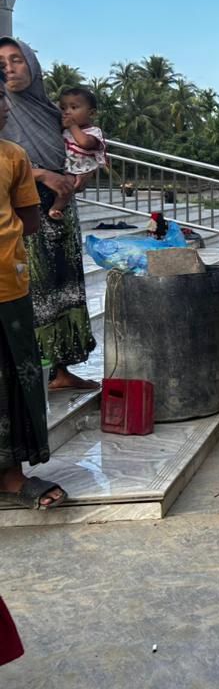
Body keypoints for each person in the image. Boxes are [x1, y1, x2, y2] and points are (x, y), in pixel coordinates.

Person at [0, 38, 96, 391]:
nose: (9, 68)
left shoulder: (53, 113)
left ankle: (60, 370)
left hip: (59, 205)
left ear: (32, 65)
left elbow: (76, 153)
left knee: (62, 283)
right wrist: (42, 175)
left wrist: (76, 178)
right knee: (35, 285)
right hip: (22, 207)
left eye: (17, 59)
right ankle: (32, 369)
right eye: (2, 62)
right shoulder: (2, 109)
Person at [0, 81, 66, 510]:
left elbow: (29, 220)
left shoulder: (13, 156)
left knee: (13, 378)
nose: (4, 106)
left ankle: (11, 476)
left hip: (9, 286)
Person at [49, 87, 106, 220]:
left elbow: (85, 143)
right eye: (63, 108)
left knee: (67, 184)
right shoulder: (65, 130)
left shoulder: (94, 131)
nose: (67, 112)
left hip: (79, 169)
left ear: (91, 113)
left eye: (74, 107)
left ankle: (56, 208)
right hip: (64, 165)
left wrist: (72, 126)